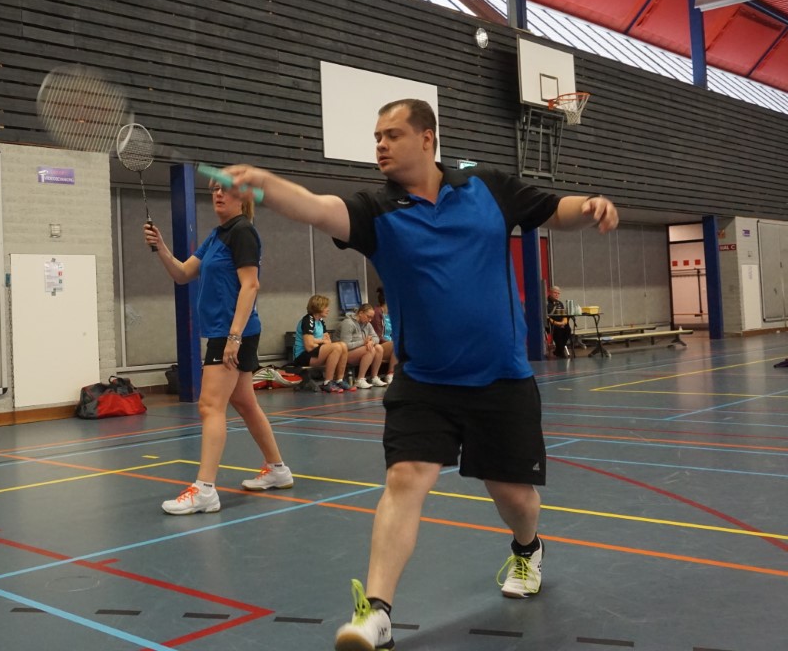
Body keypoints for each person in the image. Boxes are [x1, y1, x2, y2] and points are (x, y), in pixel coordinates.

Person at [220, 98, 619, 651]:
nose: (380, 145)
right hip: (425, 380)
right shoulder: (375, 210)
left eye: (392, 134)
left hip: (500, 378)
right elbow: (315, 208)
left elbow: (554, 208)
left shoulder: (486, 187)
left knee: (513, 496)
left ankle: (527, 549)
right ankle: (376, 613)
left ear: (427, 137)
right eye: (376, 137)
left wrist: (591, 206)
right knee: (405, 479)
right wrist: (265, 183)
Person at [144, 180, 294, 515]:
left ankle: (205, 490)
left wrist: (234, 337)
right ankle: (277, 469)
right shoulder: (217, 235)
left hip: (232, 332)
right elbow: (183, 273)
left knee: (210, 406)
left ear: (243, 197)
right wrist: (161, 246)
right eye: (214, 190)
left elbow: (250, 285)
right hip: (229, 332)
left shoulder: (243, 232)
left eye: (225, 189)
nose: (218, 194)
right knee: (245, 403)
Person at [292, 294, 353, 393]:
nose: (328, 309)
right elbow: (309, 346)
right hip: (302, 356)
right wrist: (322, 341)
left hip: (315, 352)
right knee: (336, 347)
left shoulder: (321, 321)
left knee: (343, 345)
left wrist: (318, 342)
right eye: (326, 307)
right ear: (318, 307)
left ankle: (339, 380)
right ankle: (327, 382)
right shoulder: (308, 320)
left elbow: (328, 342)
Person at [337, 303, 387, 389]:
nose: (370, 320)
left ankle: (374, 377)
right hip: (344, 354)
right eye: (368, 317)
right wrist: (363, 342)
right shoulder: (348, 323)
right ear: (360, 313)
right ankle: (360, 379)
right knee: (370, 349)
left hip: (359, 351)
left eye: (371, 318)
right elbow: (345, 345)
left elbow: (376, 338)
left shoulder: (367, 324)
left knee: (379, 348)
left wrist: (371, 342)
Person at [371, 287, 396, 384]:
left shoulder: (391, 313)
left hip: (389, 343)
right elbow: (377, 336)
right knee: (396, 344)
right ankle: (390, 373)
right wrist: (390, 342)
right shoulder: (376, 312)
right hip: (379, 345)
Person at [545, 286, 572, 357]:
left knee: (568, 329)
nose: (557, 295)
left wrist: (564, 322)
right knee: (558, 331)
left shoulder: (560, 303)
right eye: (555, 293)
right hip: (552, 325)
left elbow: (564, 315)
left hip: (561, 323)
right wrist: (557, 323)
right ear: (550, 293)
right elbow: (547, 317)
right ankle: (560, 351)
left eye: (558, 293)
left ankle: (559, 350)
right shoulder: (546, 304)